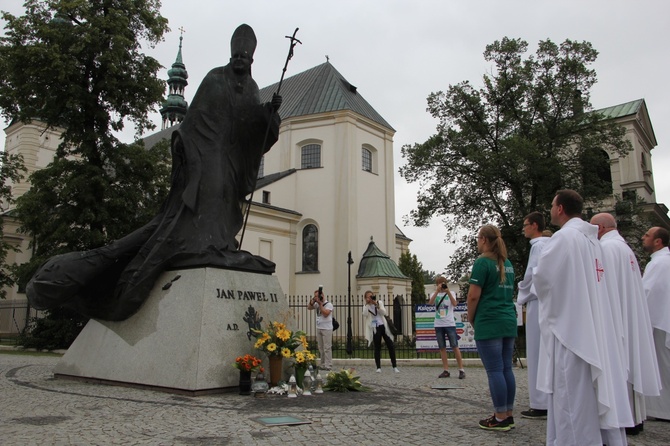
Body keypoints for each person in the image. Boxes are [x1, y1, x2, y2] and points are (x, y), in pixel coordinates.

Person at [27, 24, 282, 321]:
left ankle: (217, 244)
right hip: (204, 151)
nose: (240, 60)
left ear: (251, 60)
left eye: (245, 57)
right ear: (231, 54)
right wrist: (191, 154)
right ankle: (202, 245)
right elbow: (193, 122)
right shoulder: (214, 78)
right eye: (236, 55)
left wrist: (268, 115)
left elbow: (251, 129)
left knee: (224, 196)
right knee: (210, 190)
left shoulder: (251, 88)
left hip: (230, 157)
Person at [533, 190, 632, 446]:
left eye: (552, 204)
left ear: (561, 209)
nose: (551, 208)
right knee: (587, 393)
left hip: (571, 330)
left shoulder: (563, 239)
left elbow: (543, 279)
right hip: (592, 326)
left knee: (571, 397)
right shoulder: (592, 240)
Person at [591, 213, 661, 434]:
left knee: (620, 365)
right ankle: (633, 416)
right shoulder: (624, 248)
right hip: (628, 316)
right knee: (629, 364)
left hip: (616, 318)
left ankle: (623, 416)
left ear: (601, 228)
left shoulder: (607, 249)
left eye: (593, 228)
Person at [467, 224, 516, 431]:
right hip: (508, 320)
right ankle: (508, 413)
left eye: (478, 238)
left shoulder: (482, 262)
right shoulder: (507, 263)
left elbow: (473, 295)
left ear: (485, 240)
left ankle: (499, 416)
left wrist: (471, 318)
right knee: (506, 368)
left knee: (494, 369)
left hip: (489, 320)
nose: (477, 242)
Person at [516, 211, 550, 419]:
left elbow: (532, 275)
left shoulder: (538, 246)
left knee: (536, 351)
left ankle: (539, 402)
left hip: (538, 301)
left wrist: (521, 288)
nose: (523, 228)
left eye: (525, 225)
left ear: (535, 226)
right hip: (549, 301)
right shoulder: (551, 244)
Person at [641, 226, 670, 421]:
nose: (643, 238)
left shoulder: (660, 263)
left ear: (658, 241)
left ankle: (664, 410)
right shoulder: (661, 261)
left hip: (660, 321)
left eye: (647, 235)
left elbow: (647, 292)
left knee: (662, 367)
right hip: (661, 319)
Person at [428, 276, 465, 379]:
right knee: (442, 347)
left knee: (454, 346)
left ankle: (461, 369)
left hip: (449, 323)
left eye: (443, 283)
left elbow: (455, 303)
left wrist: (447, 292)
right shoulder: (433, 294)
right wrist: (437, 291)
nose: (442, 285)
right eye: (440, 284)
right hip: (439, 324)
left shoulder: (451, 293)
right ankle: (446, 370)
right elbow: (430, 303)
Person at [362, 291, 400, 373]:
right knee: (377, 347)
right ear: (365, 298)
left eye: (371, 296)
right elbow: (364, 314)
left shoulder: (379, 302)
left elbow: (383, 312)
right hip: (375, 327)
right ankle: (378, 367)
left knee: (390, 345)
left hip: (383, 325)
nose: (370, 298)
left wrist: (376, 304)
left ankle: (394, 366)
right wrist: (367, 304)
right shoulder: (366, 306)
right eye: (368, 297)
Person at [307, 287, 334, 370]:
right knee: (321, 347)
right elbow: (309, 307)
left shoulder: (329, 304)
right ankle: (322, 364)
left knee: (327, 347)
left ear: (322, 296)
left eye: (317, 296)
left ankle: (328, 364)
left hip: (327, 328)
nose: (316, 298)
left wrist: (320, 304)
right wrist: (313, 300)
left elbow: (325, 313)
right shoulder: (316, 304)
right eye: (315, 296)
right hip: (319, 327)